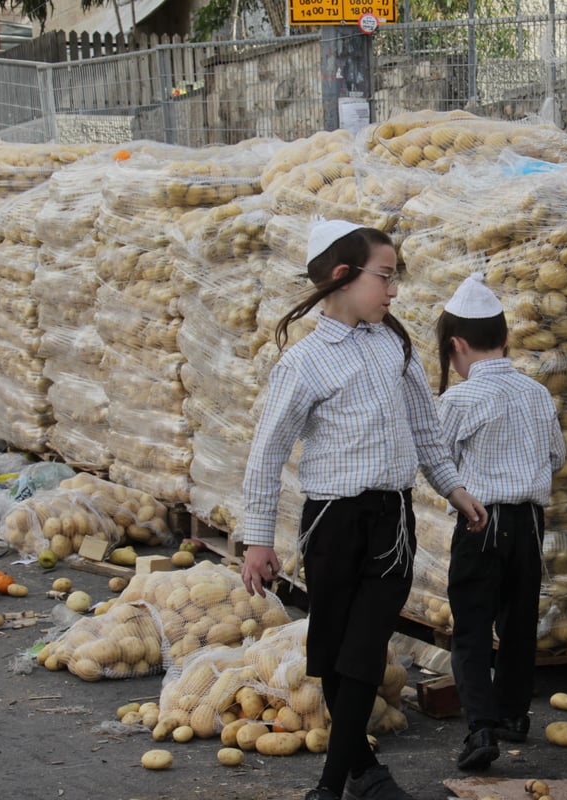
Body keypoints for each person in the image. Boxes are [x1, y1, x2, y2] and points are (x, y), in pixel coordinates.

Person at [240, 219, 489, 800]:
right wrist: (257, 540)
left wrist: (452, 487)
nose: (394, 290)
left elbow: (425, 429)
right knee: (333, 651)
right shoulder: (303, 364)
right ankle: (364, 772)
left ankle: (329, 788)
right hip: (332, 522)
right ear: (340, 276)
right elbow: (266, 454)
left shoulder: (392, 345)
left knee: (364, 649)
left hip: (391, 524)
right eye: (385, 277)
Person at [434, 273, 566, 771]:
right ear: (506, 338)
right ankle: (513, 714)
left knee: (471, 626)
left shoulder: (459, 400)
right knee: (517, 623)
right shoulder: (534, 394)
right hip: (529, 522)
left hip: (479, 521)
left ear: (456, 345)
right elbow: (557, 457)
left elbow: (436, 462)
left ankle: (481, 729)